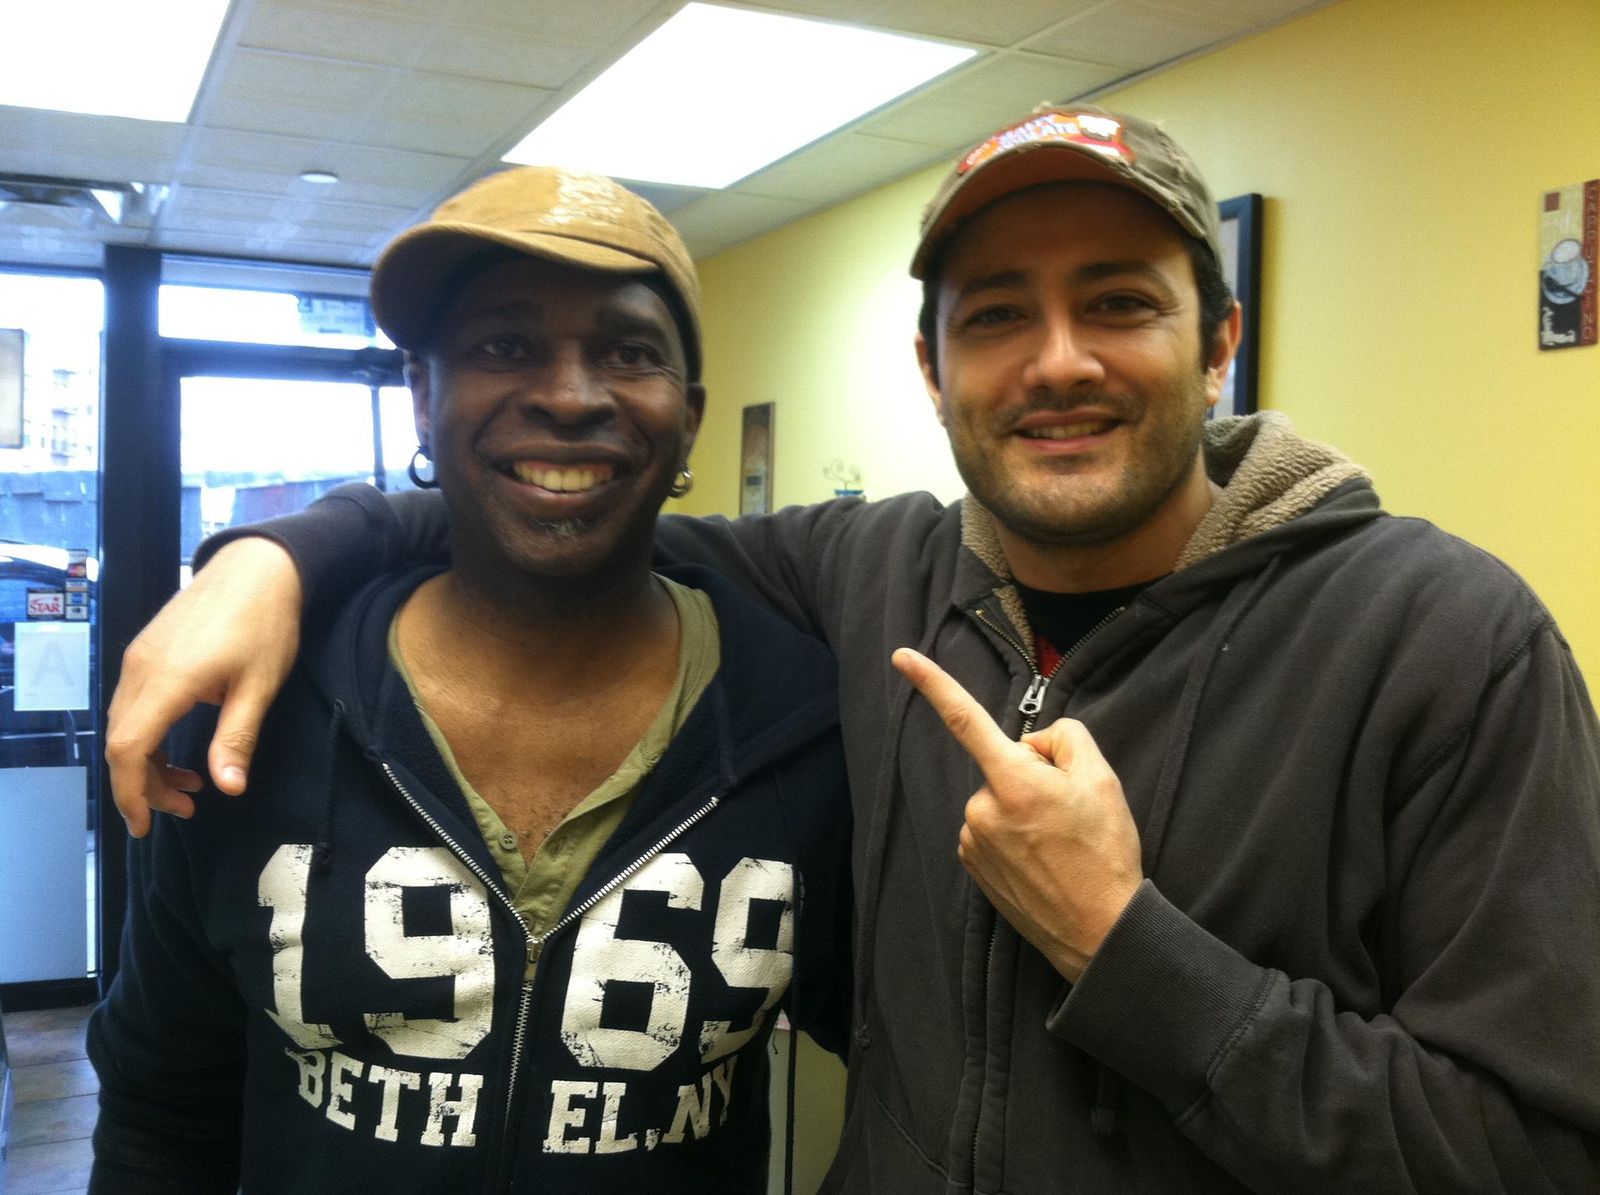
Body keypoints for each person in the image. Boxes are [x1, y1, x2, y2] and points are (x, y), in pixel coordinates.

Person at [105, 106, 1600, 1192]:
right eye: (996, 314)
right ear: (931, 368)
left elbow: (1541, 1149)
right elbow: (561, 506)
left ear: (1217, 341)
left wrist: (1126, 949)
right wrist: (272, 557)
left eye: (1120, 304)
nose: (1059, 359)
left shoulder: (1442, 638)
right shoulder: (867, 575)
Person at [89, 166, 852, 1193]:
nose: (570, 396)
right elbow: (159, 1111)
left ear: (689, 416)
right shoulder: (254, 714)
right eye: (505, 345)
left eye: (629, 352)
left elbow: (925, 1076)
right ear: (422, 395)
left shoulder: (801, 725)